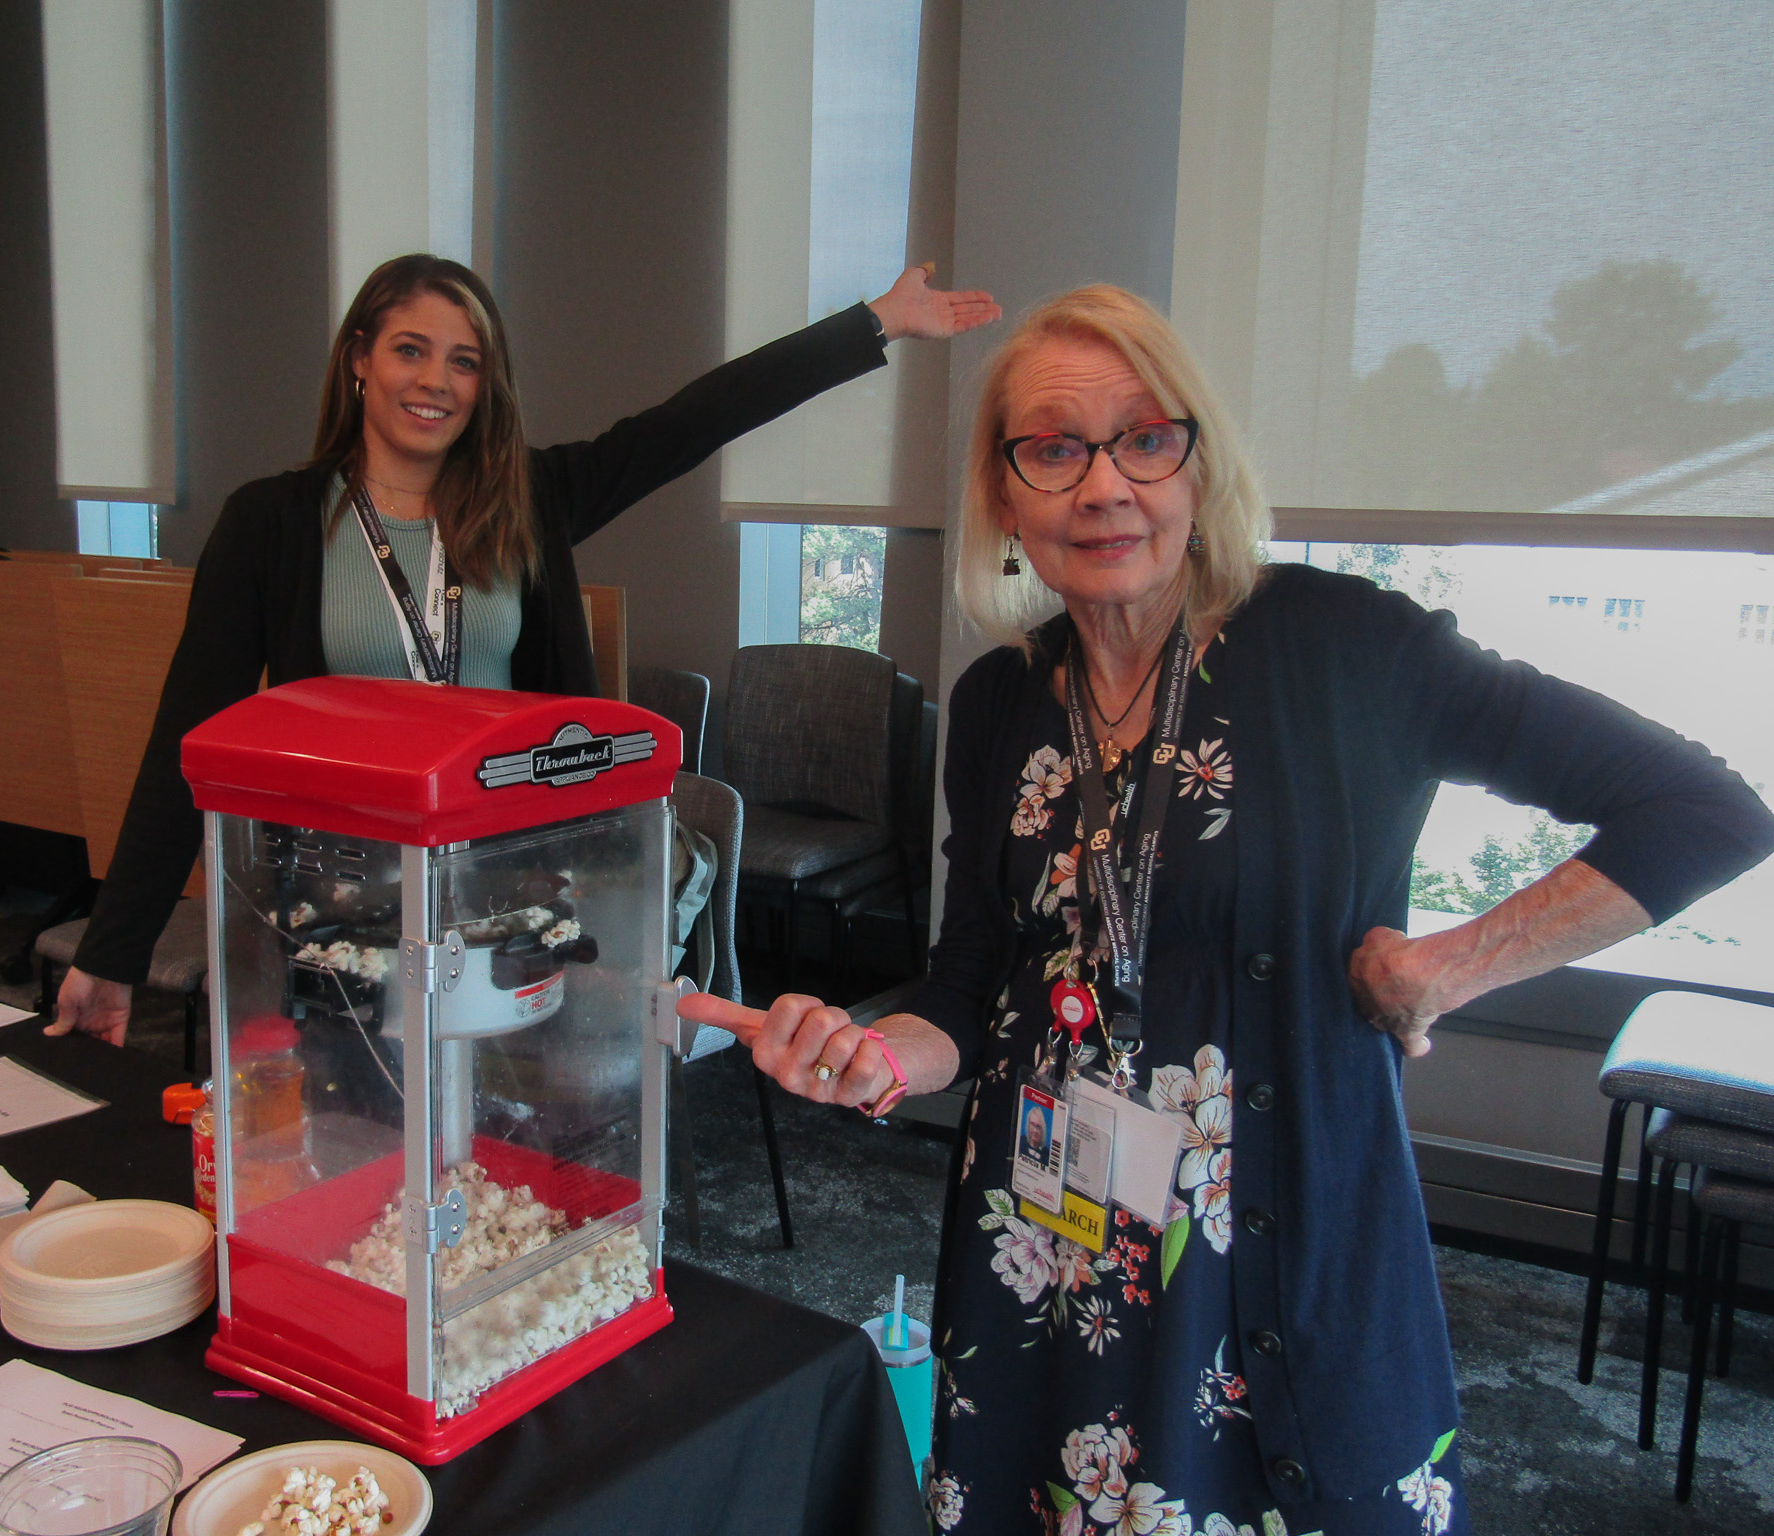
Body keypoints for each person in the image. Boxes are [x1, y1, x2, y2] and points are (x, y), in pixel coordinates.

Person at [679, 284, 1774, 1535]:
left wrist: (1451, 967)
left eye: (1145, 438)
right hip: (1041, 1243)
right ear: (1003, 492)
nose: (1104, 486)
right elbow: (971, 985)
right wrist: (870, 1055)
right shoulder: (998, 702)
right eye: (1052, 448)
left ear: (1202, 461)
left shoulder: (1342, 650)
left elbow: (1704, 812)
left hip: (1271, 1252)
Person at [49, 254, 1001, 1046]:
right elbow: (191, 739)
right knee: (358, 1150)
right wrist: (113, 949)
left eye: (464, 361)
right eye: (411, 351)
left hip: (504, 895)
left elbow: (695, 419)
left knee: (501, 1147)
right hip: (342, 906)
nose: (436, 382)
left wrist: (873, 322)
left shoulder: (529, 501)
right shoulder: (274, 524)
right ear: (357, 360)